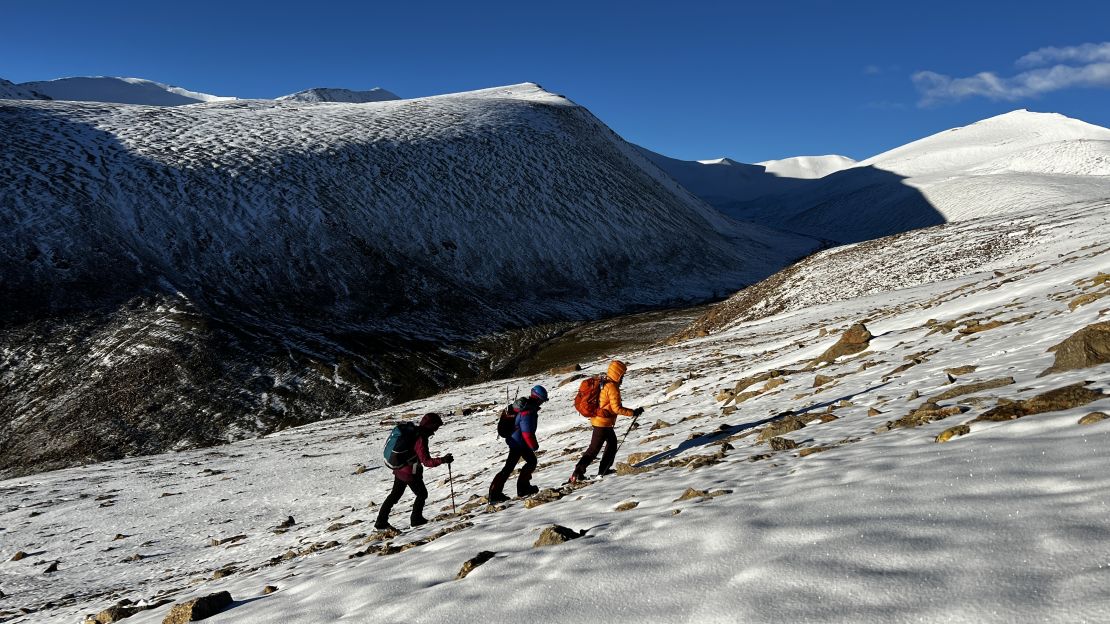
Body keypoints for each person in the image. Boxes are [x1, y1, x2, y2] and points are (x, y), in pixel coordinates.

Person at [374, 413, 453, 531]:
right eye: (436, 427)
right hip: (410, 472)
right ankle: (416, 520)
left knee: (394, 495)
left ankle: (381, 522)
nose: (436, 430)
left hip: (400, 469)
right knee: (422, 494)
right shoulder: (420, 438)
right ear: (430, 426)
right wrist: (442, 460)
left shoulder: (413, 432)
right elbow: (426, 461)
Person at [570, 360, 644, 483]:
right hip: (602, 423)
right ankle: (577, 473)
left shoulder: (604, 382)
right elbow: (616, 408)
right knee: (593, 450)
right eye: (622, 374)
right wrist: (633, 412)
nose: (623, 377)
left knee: (611, 444)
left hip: (601, 421)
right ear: (618, 374)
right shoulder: (612, 387)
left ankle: (603, 470)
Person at [489, 385, 548, 503]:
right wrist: (534, 446)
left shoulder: (525, 406)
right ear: (537, 398)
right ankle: (520, 489)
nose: (542, 403)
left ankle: (497, 493)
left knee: (512, 466)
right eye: (542, 400)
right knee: (528, 462)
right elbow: (526, 432)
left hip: (515, 441)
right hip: (520, 443)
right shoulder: (528, 411)